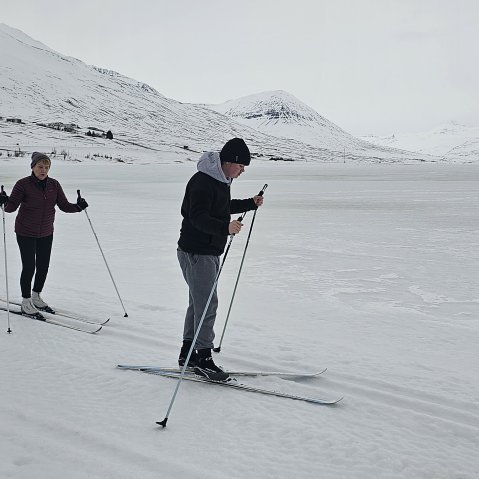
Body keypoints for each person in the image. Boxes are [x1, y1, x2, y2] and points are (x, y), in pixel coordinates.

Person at [177, 138, 264, 381]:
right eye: (241, 166)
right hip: (197, 253)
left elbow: (221, 207)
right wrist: (226, 228)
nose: (242, 171)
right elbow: (198, 217)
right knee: (207, 305)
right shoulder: (203, 182)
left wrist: (249, 204)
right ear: (229, 162)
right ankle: (203, 357)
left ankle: (188, 354)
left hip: (207, 252)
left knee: (198, 303)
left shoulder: (220, 180)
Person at [0, 152, 88, 316]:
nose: (44, 170)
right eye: (40, 166)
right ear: (33, 167)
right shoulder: (23, 184)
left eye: (47, 167)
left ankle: (36, 296)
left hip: (46, 232)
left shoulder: (54, 185)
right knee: (29, 267)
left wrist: (78, 207)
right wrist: (3, 201)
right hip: (25, 231)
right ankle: (26, 301)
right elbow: (11, 208)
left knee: (43, 266)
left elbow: (63, 205)